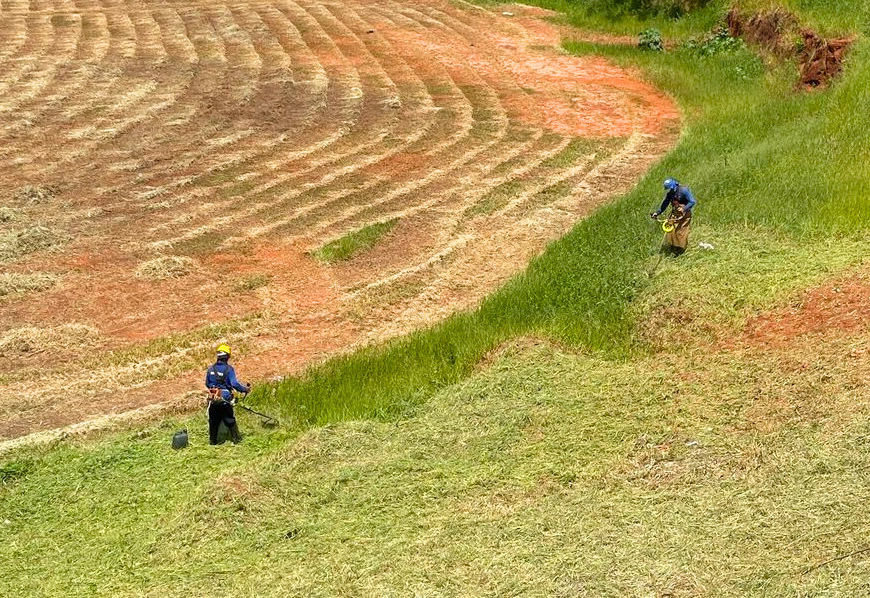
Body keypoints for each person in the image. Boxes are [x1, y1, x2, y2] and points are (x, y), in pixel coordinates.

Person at [205, 344, 250, 445]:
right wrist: (245, 390)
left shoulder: (211, 369)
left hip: (213, 399)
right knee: (229, 419)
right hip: (224, 399)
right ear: (227, 357)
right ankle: (236, 439)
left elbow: (207, 384)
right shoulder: (229, 369)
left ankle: (213, 442)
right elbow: (234, 384)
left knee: (213, 421)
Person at [651, 178, 696, 257]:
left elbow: (692, 201)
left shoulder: (684, 190)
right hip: (675, 214)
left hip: (684, 215)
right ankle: (673, 248)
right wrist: (657, 213)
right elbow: (665, 204)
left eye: (670, 189)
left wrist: (683, 208)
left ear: (674, 186)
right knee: (671, 231)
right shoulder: (670, 194)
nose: (670, 190)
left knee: (680, 232)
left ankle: (680, 250)